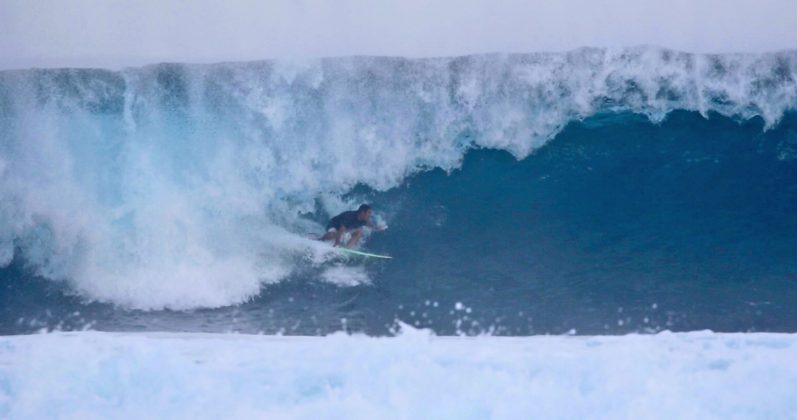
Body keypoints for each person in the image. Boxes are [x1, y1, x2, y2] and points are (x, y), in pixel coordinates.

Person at [320, 204, 385, 248]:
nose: (370, 215)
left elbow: (369, 225)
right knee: (334, 234)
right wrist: (337, 244)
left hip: (343, 230)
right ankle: (321, 239)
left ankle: (347, 249)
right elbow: (341, 230)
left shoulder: (364, 220)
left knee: (359, 233)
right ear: (362, 212)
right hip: (333, 225)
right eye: (368, 213)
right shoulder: (350, 216)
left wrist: (377, 228)